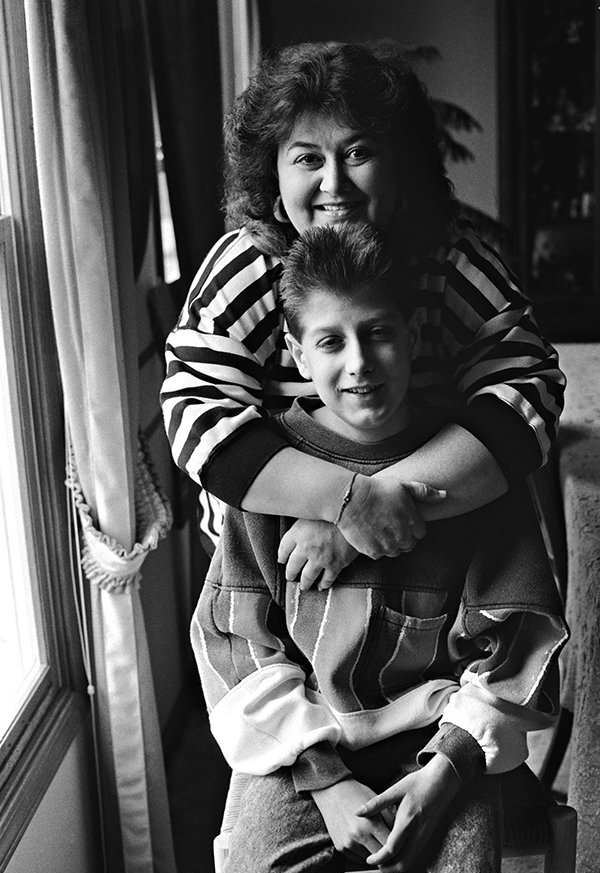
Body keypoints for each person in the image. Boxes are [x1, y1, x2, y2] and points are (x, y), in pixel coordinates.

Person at [193, 223, 568, 873]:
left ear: (414, 336)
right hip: (305, 743)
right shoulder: (268, 476)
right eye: (331, 342)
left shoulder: (474, 469)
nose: (360, 363)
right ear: (297, 354)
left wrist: (447, 769)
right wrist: (327, 780)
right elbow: (237, 646)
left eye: (379, 333)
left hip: (440, 743)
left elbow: (516, 643)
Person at [160, 40, 565, 589]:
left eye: (358, 153)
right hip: (278, 572)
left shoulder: (449, 259)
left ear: (400, 164)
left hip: (435, 560)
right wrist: (344, 502)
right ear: (273, 176)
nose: (334, 184)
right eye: (308, 158)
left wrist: (367, 514)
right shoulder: (244, 267)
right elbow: (198, 417)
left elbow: (527, 397)